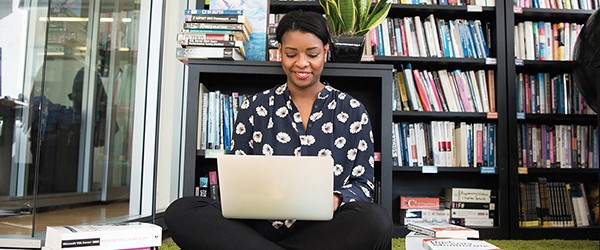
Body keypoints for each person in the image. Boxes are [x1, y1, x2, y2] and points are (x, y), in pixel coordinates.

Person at [164, 10, 393, 249]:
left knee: (376, 221)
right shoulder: (253, 107)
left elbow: (364, 184)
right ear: (280, 52)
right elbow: (237, 176)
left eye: (312, 54)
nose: (301, 63)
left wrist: (335, 199)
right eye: (291, 54)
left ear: (326, 51)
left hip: (323, 229)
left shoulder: (353, 110)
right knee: (182, 211)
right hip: (257, 227)